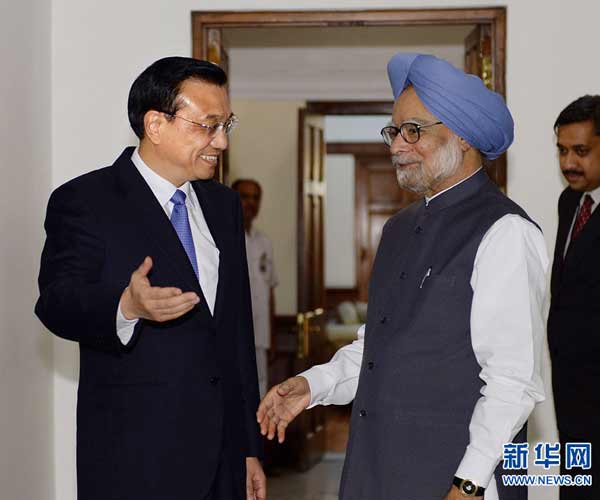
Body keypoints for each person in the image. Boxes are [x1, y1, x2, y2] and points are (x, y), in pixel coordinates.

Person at [257, 53, 549, 500]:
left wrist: (468, 484)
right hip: (378, 472)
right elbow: (379, 347)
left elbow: (513, 382)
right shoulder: (397, 229)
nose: (396, 146)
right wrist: (313, 386)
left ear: (463, 136)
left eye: (413, 130)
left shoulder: (506, 232)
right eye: (393, 131)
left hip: (455, 479)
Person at [35, 57, 265, 500]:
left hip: (223, 459)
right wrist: (126, 306)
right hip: (135, 458)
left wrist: (248, 448)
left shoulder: (223, 206)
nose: (221, 141)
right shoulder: (86, 200)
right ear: (156, 124)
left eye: (226, 125)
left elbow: (236, 335)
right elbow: (56, 302)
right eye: (208, 126)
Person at [548, 95, 600, 499]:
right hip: (570, 388)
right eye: (562, 150)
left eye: (580, 151)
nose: (568, 163)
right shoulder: (570, 201)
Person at [232, 179, 278, 397]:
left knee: (260, 389)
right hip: (233, 335)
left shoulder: (264, 242)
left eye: (255, 198)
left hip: (260, 334)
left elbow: (270, 291)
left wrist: (273, 336)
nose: (250, 203)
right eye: (244, 197)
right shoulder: (223, 238)